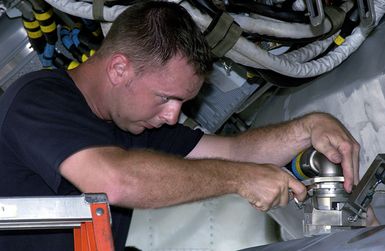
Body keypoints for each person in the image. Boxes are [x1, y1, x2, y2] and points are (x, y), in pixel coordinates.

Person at [0, 1, 363, 250]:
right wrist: (240, 180)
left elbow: (234, 151)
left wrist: (311, 126)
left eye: (181, 103)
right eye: (165, 97)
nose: (174, 116)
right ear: (119, 69)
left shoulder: (135, 123)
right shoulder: (39, 98)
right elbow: (112, 181)